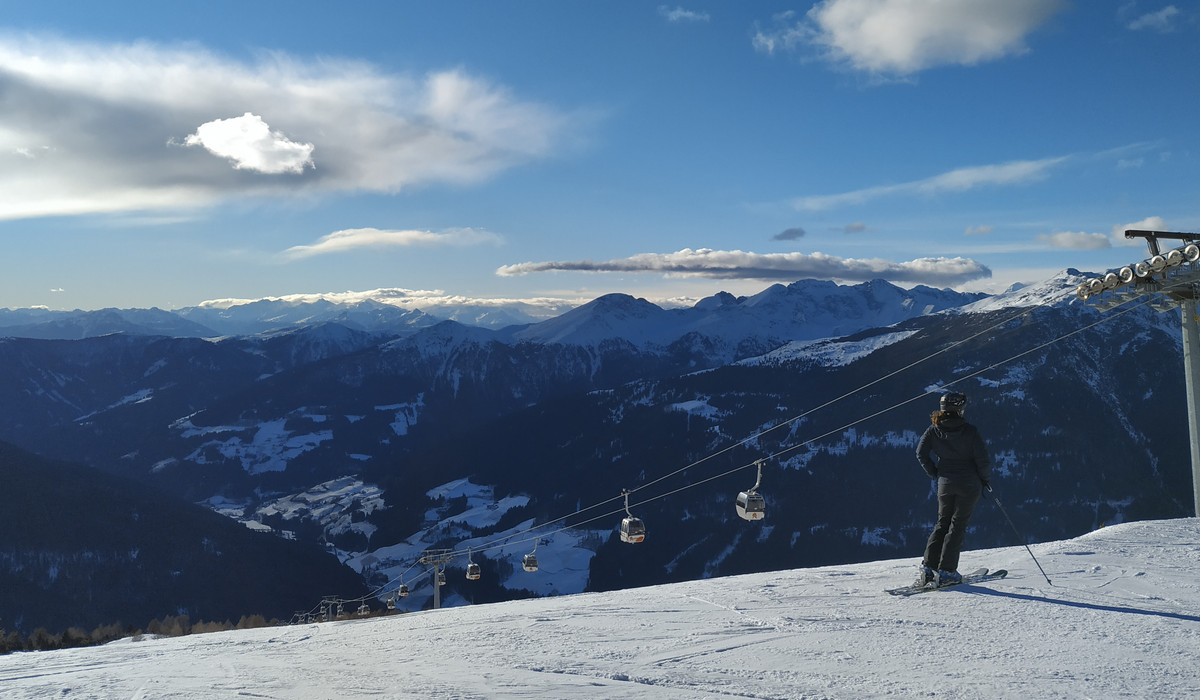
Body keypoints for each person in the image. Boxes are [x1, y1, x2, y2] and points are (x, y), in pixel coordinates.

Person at [914, 391, 992, 587]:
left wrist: (936, 474)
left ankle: (929, 569)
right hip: (969, 484)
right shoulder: (970, 431)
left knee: (942, 523)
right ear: (960, 409)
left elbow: (920, 454)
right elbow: (983, 460)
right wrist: (985, 480)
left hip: (945, 484)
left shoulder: (933, 430)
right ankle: (947, 571)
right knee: (957, 526)